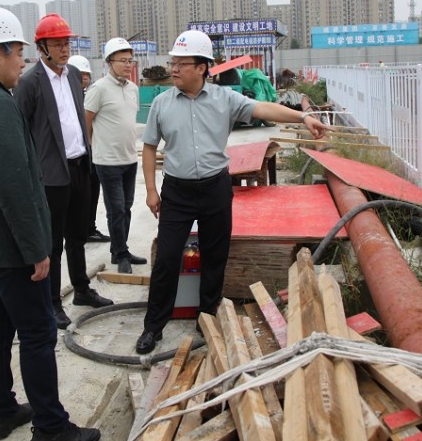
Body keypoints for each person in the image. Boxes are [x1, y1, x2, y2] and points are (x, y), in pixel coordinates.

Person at [0, 7, 101, 441]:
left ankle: (3, 411)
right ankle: (51, 428)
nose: (22, 61)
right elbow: (16, 186)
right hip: (6, 246)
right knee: (37, 332)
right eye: (17, 53)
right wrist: (36, 250)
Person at [136, 30, 331, 354]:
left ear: (201, 67)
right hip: (177, 192)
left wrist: (303, 117)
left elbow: (264, 109)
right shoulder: (161, 103)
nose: (174, 69)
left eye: (181, 63)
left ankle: (207, 316)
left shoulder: (224, 99)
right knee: (167, 258)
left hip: (215, 188)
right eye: (172, 63)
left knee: (215, 256)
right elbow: (149, 147)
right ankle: (153, 326)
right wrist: (151, 191)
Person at [15, 14, 113, 330]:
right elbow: (21, 131)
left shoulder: (71, 75)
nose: (64, 49)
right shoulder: (29, 83)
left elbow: (76, 119)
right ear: (42, 47)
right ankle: (52, 302)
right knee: (53, 243)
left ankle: (81, 289)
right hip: (51, 175)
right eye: (57, 44)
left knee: (77, 235)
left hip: (80, 166)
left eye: (67, 43)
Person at [84, 38, 147, 274]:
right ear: (109, 62)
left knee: (127, 207)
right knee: (116, 209)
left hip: (129, 158)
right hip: (107, 161)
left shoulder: (133, 89)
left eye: (130, 60)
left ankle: (118, 250)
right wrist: (94, 147)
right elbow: (86, 121)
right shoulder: (98, 89)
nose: (128, 65)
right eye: (123, 60)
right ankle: (121, 255)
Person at [67, 55, 110, 244]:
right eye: (81, 74)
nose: (85, 78)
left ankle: (89, 229)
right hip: (74, 156)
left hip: (91, 153)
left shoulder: (88, 95)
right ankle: (75, 232)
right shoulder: (66, 98)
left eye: (87, 74)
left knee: (92, 193)